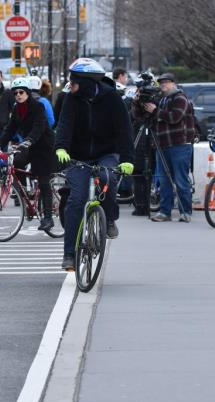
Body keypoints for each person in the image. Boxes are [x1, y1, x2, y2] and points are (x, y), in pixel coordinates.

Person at [55, 58, 134, 270]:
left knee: (107, 178)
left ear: (88, 83)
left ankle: (108, 219)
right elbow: (64, 125)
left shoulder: (112, 99)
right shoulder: (71, 99)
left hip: (106, 153)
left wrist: (127, 160)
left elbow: (125, 131)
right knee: (76, 199)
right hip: (78, 156)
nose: (70, 86)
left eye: (74, 82)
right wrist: (61, 148)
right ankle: (69, 254)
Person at [0, 77, 57, 231]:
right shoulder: (16, 109)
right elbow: (9, 129)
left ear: (27, 92)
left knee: (43, 180)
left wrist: (28, 140)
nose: (18, 95)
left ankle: (48, 218)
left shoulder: (38, 106)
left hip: (44, 146)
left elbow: (39, 126)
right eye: (15, 93)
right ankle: (26, 195)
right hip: (29, 145)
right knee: (16, 161)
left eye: (21, 92)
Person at [133, 72, 195, 223]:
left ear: (173, 83)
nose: (163, 85)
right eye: (161, 83)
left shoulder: (180, 98)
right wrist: (137, 103)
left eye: (166, 82)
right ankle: (165, 212)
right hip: (162, 145)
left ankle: (185, 212)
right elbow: (140, 117)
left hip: (180, 144)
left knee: (181, 180)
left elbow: (174, 117)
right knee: (164, 180)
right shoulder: (161, 100)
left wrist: (154, 110)